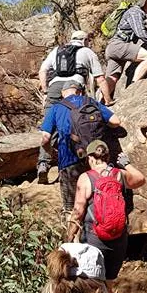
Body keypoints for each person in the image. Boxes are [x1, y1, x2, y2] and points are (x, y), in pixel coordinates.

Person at [67, 140, 146, 293]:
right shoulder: (119, 175)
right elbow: (140, 179)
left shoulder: (86, 178)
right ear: (108, 157)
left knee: (94, 287)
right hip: (118, 239)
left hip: (95, 238)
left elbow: (78, 211)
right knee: (108, 287)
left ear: (91, 158)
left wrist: (68, 238)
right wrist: (126, 163)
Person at [39, 79, 121, 217]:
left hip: (69, 161)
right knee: (100, 203)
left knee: (71, 209)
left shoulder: (56, 107)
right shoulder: (91, 102)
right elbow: (116, 121)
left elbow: (45, 138)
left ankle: (74, 237)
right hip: (96, 159)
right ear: (80, 91)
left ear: (63, 93)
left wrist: (51, 153)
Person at [104, 0, 147, 100]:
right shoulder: (136, 12)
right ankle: (134, 87)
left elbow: (139, 31)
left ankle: (100, 102)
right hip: (119, 45)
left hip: (113, 47)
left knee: (112, 79)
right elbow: (140, 33)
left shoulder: (134, 12)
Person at [40, 30, 113, 107]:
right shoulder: (87, 52)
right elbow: (100, 79)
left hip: (55, 87)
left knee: (50, 116)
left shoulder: (56, 50)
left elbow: (42, 71)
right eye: (88, 40)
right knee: (76, 115)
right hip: (75, 86)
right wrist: (108, 99)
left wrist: (45, 92)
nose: (89, 43)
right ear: (84, 40)